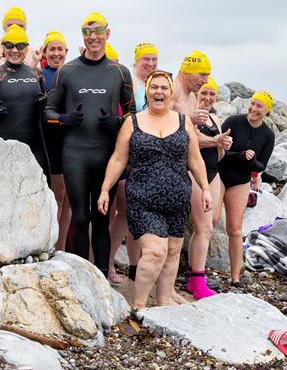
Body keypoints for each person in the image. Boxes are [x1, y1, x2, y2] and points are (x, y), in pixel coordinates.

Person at [98, 70, 212, 310]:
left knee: (171, 254)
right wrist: (106, 189)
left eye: (164, 88)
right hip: (142, 198)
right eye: (154, 87)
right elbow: (118, 159)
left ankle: (162, 307)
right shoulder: (133, 122)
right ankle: (138, 307)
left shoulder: (183, 122)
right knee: (155, 252)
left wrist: (206, 190)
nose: (159, 91)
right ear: (147, 92)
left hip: (177, 199)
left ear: (171, 93)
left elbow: (195, 160)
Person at [44, 12, 135, 277]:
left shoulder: (119, 72)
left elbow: (132, 114)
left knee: (102, 217)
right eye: (87, 32)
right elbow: (48, 111)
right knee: (80, 216)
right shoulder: (68, 71)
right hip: (75, 153)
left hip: (106, 153)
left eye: (97, 31)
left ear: (107, 33)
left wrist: (117, 122)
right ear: (82, 36)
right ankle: (83, 276)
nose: (92, 37)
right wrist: (65, 119)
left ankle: (103, 274)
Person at [107, 42, 158, 283]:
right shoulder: (131, 82)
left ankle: (135, 265)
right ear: (136, 61)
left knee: (134, 212)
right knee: (121, 210)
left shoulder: (153, 85)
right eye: (145, 59)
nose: (150, 63)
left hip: (144, 156)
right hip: (123, 152)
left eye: (154, 60)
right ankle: (107, 263)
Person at [217, 90, 275, 289]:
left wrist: (251, 160)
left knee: (235, 228)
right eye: (252, 104)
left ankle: (235, 277)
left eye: (259, 106)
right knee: (211, 221)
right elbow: (219, 150)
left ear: (266, 111)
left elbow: (261, 166)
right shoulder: (234, 122)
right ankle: (194, 271)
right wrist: (241, 155)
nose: (254, 109)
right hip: (219, 175)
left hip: (240, 181)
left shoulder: (267, 135)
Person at [0, 24, 49, 175]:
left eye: (20, 45)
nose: (15, 50)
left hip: (35, 146)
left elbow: (44, 109)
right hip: (5, 148)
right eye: (9, 45)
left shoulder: (37, 74)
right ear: (3, 48)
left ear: (26, 48)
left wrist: (43, 106)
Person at [186, 76, 231, 299]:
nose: (207, 98)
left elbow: (219, 150)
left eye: (212, 94)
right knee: (204, 227)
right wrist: (216, 141)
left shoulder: (214, 118)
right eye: (203, 93)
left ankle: (193, 274)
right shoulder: (191, 117)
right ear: (196, 95)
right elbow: (193, 140)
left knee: (208, 225)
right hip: (195, 172)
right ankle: (197, 279)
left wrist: (223, 144)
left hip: (213, 171)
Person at [40, 31, 71, 252]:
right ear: (44, 52)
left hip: (70, 141)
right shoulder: (40, 75)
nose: (56, 53)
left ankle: (60, 247)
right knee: (57, 195)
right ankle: (50, 246)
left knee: (69, 199)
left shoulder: (72, 75)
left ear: (66, 52)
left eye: (60, 49)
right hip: (48, 141)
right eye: (52, 49)